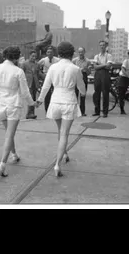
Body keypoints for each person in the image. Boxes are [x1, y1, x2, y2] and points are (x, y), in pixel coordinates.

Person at [36, 42, 86, 177]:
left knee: (60, 130)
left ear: (59, 53)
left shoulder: (52, 67)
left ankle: (64, 153)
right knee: (64, 133)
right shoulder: (75, 69)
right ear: (72, 53)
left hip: (55, 101)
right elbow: (82, 89)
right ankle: (57, 164)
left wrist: (40, 100)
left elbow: (46, 86)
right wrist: (82, 92)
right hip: (68, 101)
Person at [0, 46, 36, 177]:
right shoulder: (18, 71)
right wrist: (32, 103)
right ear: (16, 57)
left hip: (1, 103)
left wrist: (0, 93)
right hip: (13, 104)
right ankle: (2, 164)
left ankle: (14, 154)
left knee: (9, 132)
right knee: (9, 134)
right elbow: (25, 92)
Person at [92, 40, 114, 118]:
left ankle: (105, 112)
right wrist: (104, 65)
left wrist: (100, 65)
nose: (102, 46)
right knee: (97, 93)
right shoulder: (96, 56)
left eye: (103, 45)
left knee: (105, 93)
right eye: (100, 45)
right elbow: (95, 67)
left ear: (106, 46)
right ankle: (97, 111)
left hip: (105, 75)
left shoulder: (109, 56)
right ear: (99, 46)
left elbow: (108, 66)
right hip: (97, 75)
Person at [38, 46, 60, 112]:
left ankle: (54, 109)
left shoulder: (57, 60)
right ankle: (47, 109)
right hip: (46, 77)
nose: (49, 54)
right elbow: (37, 67)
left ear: (53, 53)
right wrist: (41, 74)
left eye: (51, 52)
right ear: (46, 53)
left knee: (55, 93)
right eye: (48, 52)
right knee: (47, 93)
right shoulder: (43, 60)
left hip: (54, 78)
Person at [20, 50, 41, 119]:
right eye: (32, 56)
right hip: (28, 83)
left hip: (35, 83)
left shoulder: (37, 64)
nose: (34, 57)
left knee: (34, 98)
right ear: (29, 56)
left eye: (35, 56)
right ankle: (29, 113)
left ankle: (32, 113)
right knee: (31, 97)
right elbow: (21, 73)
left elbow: (38, 74)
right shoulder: (25, 64)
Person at [72, 47, 91, 116]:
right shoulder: (74, 61)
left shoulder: (88, 61)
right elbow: (72, 71)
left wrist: (86, 69)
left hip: (84, 78)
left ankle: (82, 112)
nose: (81, 53)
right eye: (79, 52)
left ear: (84, 52)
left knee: (83, 95)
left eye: (82, 52)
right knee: (75, 95)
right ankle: (75, 111)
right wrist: (80, 69)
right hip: (76, 78)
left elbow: (89, 73)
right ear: (78, 53)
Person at [117, 50, 129, 115]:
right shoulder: (126, 61)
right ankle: (122, 110)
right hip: (123, 78)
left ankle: (126, 96)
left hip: (128, 79)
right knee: (121, 95)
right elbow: (123, 70)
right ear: (128, 56)